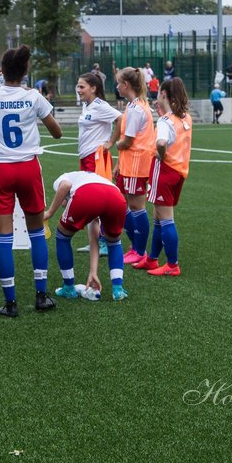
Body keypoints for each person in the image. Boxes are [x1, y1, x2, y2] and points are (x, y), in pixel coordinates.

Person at [0, 46, 63, 317]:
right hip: (28, 168)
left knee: (4, 238)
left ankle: (10, 302)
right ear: (25, 72)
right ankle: (41, 296)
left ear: (2, 70)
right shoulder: (33, 96)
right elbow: (57, 132)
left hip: (0, 168)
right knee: (36, 232)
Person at [44, 170, 129, 302]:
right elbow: (94, 240)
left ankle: (68, 287)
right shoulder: (91, 177)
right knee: (114, 242)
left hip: (88, 193)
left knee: (62, 236)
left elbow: (65, 186)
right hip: (116, 196)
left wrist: (49, 213)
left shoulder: (64, 177)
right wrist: (93, 272)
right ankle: (117, 290)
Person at [144, 77, 193, 277]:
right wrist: (163, 112)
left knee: (165, 219)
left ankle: (172, 265)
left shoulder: (164, 122)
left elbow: (162, 143)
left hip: (164, 171)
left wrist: (161, 154)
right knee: (158, 216)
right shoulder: (185, 118)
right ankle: (152, 259)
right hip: (179, 172)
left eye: (158, 93)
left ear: (163, 94)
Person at [110, 67, 155, 268]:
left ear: (126, 85)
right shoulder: (134, 105)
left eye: (119, 83)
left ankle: (139, 250)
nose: (117, 86)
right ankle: (136, 247)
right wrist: (119, 162)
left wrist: (109, 145)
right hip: (129, 163)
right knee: (120, 204)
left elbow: (127, 141)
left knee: (136, 206)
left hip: (137, 164)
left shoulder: (137, 108)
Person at [75, 71, 121, 255]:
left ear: (93, 88)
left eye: (82, 86)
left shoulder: (100, 106)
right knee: (90, 201)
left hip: (96, 158)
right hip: (85, 157)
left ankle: (104, 241)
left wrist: (110, 142)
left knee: (98, 200)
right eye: (78, 86)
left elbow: (121, 118)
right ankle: (94, 241)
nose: (78, 90)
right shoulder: (87, 105)